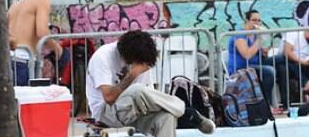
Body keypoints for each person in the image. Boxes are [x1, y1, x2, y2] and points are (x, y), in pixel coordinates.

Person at [86, 30, 215, 136]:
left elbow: (149, 96)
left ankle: (181, 111)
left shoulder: (141, 60)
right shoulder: (103, 56)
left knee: (166, 117)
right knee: (137, 89)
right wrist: (132, 75)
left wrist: (162, 107)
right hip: (106, 114)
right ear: (130, 56)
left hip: (133, 113)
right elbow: (108, 97)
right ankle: (186, 111)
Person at [7, 0, 64, 86]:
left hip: (8, 59)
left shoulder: (15, 5)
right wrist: (57, 48)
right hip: (24, 60)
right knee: (26, 101)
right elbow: (42, 32)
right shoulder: (42, 1)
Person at [226, 10, 281, 111]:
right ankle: (266, 104)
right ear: (246, 21)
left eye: (259, 21)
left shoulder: (254, 34)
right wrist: (259, 40)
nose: (257, 23)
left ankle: (286, 101)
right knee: (269, 71)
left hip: (254, 65)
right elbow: (247, 55)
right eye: (254, 20)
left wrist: (264, 50)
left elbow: (257, 53)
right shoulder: (240, 34)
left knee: (281, 60)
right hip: (241, 68)